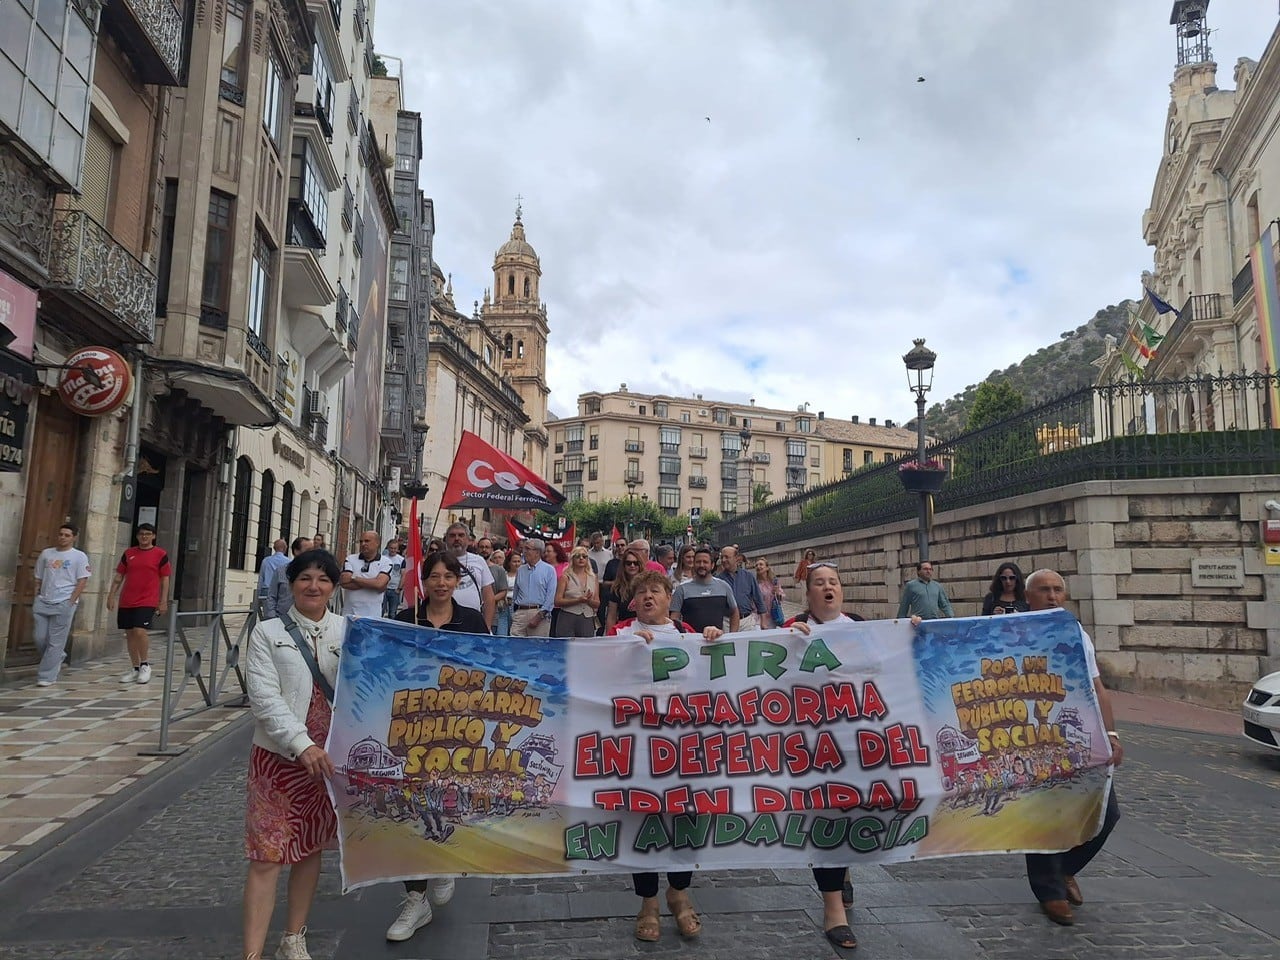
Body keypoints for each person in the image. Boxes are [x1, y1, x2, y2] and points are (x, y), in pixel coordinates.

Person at [607, 570, 722, 941]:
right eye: (641, 592)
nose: (648, 597)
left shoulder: (689, 636)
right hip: (638, 747)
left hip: (684, 748)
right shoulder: (619, 635)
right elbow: (598, 674)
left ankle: (679, 891)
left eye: (655, 590)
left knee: (686, 818)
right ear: (633, 601)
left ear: (668, 598)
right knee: (644, 822)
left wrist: (717, 643)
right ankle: (648, 902)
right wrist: (620, 653)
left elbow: (718, 677)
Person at [241, 548, 343, 960]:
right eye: (305, 578)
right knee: (266, 856)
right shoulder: (267, 632)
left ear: (333, 587)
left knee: (309, 848)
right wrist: (302, 744)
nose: (313, 586)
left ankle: (293, 937)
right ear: (291, 583)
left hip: (327, 762)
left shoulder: (349, 630)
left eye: (322, 579)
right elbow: (263, 698)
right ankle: (251, 954)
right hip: (279, 760)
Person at [384, 550, 485, 941]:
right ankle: (414, 898)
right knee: (410, 807)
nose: (441, 582)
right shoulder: (404, 619)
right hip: (411, 729)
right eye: (435, 576)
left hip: (458, 729)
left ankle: (442, 861)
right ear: (423, 581)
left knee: (446, 800)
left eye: (449, 576)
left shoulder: (472, 620)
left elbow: (488, 666)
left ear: (458, 580)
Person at [1023, 568, 1123, 926]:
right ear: (1028, 597)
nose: (1052, 596)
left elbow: (1098, 687)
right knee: (1044, 815)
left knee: (1106, 813)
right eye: (1044, 590)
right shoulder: (1011, 630)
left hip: (1078, 736)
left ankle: (1066, 869)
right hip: (1033, 738)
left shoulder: (1076, 632)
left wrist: (1111, 735)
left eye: (1058, 590)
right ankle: (1049, 891)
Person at [787, 560, 862, 949]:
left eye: (834, 581)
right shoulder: (792, 631)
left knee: (852, 811)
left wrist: (913, 632)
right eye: (820, 583)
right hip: (812, 747)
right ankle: (834, 907)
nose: (828, 587)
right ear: (809, 593)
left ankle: (843, 871)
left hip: (858, 743)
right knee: (825, 815)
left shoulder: (864, 628)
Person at [106, 523, 171, 684]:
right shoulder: (129, 553)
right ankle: (135, 667)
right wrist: (111, 595)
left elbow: (165, 579)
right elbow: (119, 576)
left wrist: (163, 601)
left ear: (153, 536)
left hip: (147, 599)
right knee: (129, 634)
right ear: (137, 536)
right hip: (127, 599)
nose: (144, 537)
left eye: (148, 534)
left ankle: (145, 664)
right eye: (141, 534)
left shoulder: (160, 554)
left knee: (139, 630)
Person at [32, 523, 91, 687]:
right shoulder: (46, 554)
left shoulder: (79, 556)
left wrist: (71, 600)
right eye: (61, 534)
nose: (63, 537)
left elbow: (82, 580)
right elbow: (38, 576)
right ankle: (57, 656)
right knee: (39, 637)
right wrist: (37, 594)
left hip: (64, 601)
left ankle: (46, 676)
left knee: (56, 641)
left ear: (74, 537)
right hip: (44, 600)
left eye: (67, 535)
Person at [670, 546, 739, 633]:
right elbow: (674, 618)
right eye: (698, 562)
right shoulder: (682, 589)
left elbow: (735, 612)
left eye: (705, 562)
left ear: (712, 565)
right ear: (694, 564)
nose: (701, 565)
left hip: (717, 641)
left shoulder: (724, 586)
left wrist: (732, 636)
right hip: (691, 643)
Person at [443, 522, 496, 629]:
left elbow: (489, 597)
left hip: (472, 622)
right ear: (446, 539)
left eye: (461, 535)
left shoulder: (479, 561)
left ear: (468, 540)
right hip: (444, 622)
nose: (457, 539)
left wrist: (487, 627)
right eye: (452, 535)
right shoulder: (438, 561)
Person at [340, 530, 392, 619]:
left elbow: (379, 584)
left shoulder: (386, 562)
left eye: (367, 541)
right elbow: (344, 582)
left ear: (377, 543)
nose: (363, 544)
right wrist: (372, 583)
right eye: (361, 541)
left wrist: (353, 577)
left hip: (372, 617)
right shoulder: (350, 559)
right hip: (350, 615)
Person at [511, 538, 557, 637]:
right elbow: (516, 593)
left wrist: (540, 616)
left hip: (539, 614)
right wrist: (513, 613)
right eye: (524, 549)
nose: (524, 552)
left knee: (536, 649)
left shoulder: (549, 570)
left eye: (527, 549)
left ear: (537, 552)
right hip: (520, 614)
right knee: (515, 648)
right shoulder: (520, 570)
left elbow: (551, 596)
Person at [263, 537, 314, 620]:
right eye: (308, 550)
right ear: (296, 551)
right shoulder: (281, 571)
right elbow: (271, 596)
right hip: (282, 620)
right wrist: (272, 617)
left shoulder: (316, 574)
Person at [554, 546, 599, 637]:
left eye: (584, 556)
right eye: (577, 556)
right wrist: (578, 600)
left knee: (585, 647)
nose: (581, 558)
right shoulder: (565, 577)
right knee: (566, 646)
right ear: (572, 559)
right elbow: (557, 601)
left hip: (587, 618)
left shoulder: (593, 578)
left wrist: (588, 601)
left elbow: (597, 603)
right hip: (568, 617)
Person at [603, 545, 650, 633]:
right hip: (625, 630)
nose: (632, 566)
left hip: (646, 628)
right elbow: (611, 616)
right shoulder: (617, 588)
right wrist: (610, 638)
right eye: (628, 563)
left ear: (640, 565)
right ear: (623, 566)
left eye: (635, 563)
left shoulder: (648, 586)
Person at [716, 545, 763, 631]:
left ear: (736, 558)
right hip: (726, 623)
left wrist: (763, 621)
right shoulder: (717, 580)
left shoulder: (748, 576)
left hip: (746, 622)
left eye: (727, 557)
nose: (723, 560)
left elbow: (758, 598)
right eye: (722, 557)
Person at [598, 540, 626, 631]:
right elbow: (605, 583)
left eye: (622, 545)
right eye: (617, 546)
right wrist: (616, 583)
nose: (620, 547)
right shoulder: (611, 563)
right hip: (613, 598)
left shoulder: (632, 562)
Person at [257, 539, 289, 615]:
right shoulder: (288, 562)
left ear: (274, 548)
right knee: (282, 614)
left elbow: (261, 578)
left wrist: (258, 594)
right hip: (282, 590)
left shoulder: (266, 561)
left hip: (266, 590)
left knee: (267, 614)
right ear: (285, 548)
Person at [494, 549, 521, 636]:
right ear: (509, 562)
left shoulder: (522, 575)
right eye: (514, 561)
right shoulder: (504, 574)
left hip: (516, 607)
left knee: (513, 632)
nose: (516, 564)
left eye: (518, 561)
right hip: (503, 606)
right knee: (501, 633)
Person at [754, 556, 785, 629]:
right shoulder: (755, 584)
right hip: (758, 617)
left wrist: (777, 592)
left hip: (772, 617)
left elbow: (781, 597)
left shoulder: (774, 582)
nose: (758, 566)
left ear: (767, 567)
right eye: (756, 565)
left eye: (761, 564)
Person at [383, 538, 407, 617]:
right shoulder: (383, 558)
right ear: (388, 548)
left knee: (392, 613)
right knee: (380, 611)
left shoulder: (401, 560)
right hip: (383, 589)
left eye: (395, 548)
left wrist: (399, 588)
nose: (393, 550)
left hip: (394, 590)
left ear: (397, 549)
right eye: (391, 548)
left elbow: (403, 575)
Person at [488, 548, 510, 634]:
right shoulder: (490, 570)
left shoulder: (505, 572)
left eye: (500, 557)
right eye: (495, 557)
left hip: (504, 605)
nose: (497, 559)